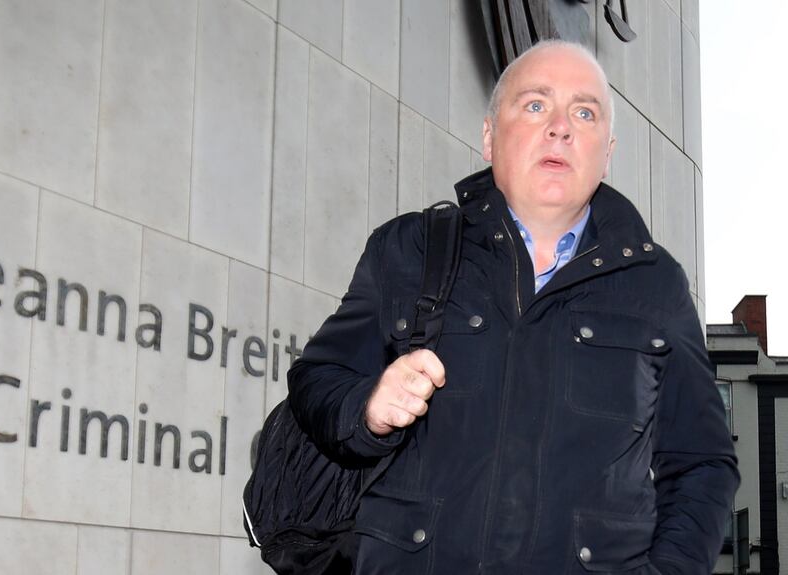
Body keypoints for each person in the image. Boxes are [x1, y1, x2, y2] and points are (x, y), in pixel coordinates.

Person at [287, 40, 738, 574]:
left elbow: (703, 463)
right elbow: (318, 378)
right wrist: (368, 406)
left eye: (584, 112)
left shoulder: (656, 283)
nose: (561, 127)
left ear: (607, 151)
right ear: (488, 136)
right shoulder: (409, 250)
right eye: (535, 105)